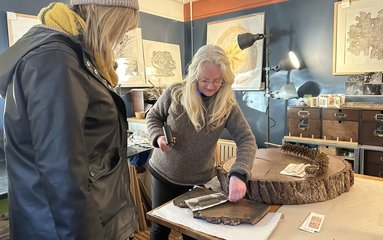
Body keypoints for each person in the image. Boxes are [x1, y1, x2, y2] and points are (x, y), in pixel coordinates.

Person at [0, 0, 139, 239]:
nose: (121, 39)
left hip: (84, 220)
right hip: (69, 229)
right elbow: (62, 174)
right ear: (102, 14)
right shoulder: (55, 60)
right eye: (123, 28)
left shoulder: (69, 56)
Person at [146, 44, 257, 240]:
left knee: (194, 233)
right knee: (160, 229)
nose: (210, 86)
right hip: (164, 174)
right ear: (194, 74)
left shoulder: (227, 104)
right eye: (204, 80)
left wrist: (239, 173)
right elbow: (153, 116)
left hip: (198, 181)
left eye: (217, 81)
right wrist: (158, 137)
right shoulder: (176, 93)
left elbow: (246, 138)